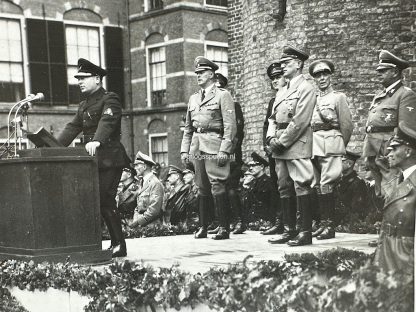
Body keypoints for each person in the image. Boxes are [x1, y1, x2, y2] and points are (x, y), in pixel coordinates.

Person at [57, 58, 129, 258]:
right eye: (78, 78)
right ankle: (114, 244)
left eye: (84, 78)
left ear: (97, 79)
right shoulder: (83, 105)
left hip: (110, 158)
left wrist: (97, 140)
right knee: (99, 201)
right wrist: (52, 146)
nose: (79, 81)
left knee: (105, 199)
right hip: (93, 160)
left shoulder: (110, 98)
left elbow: (108, 121)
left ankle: (119, 245)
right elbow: (72, 128)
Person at [181, 56, 237, 240]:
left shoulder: (223, 95)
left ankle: (223, 227)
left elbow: (230, 126)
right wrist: (185, 150)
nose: (198, 75)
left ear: (212, 74)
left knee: (217, 185)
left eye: (202, 72)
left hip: (215, 144)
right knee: (201, 187)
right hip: (197, 147)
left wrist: (225, 150)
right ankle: (203, 226)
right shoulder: (193, 98)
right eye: (197, 73)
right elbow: (188, 128)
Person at [265, 46, 317, 246]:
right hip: (279, 144)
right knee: (284, 187)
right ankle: (289, 229)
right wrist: (270, 139)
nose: (283, 66)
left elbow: (300, 121)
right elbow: (272, 118)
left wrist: (281, 142)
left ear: (299, 64)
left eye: (287, 63)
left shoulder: (306, 88)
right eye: (282, 63)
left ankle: (305, 232)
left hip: (296, 143)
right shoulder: (282, 89)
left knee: (301, 185)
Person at [308, 59, 353, 240]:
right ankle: (323, 223)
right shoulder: (313, 99)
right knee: (318, 185)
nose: (322, 78)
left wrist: (339, 144)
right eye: (318, 75)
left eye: (325, 74)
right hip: (315, 145)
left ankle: (330, 226)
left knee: (328, 184)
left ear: (330, 75)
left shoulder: (338, 98)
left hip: (331, 143)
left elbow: (347, 125)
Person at [363, 50, 416, 200]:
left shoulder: (405, 94)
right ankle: (381, 218)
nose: (378, 73)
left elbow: (406, 127)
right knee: (378, 187)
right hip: (373, 147)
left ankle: (393, 218)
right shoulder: (380, 96)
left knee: (392, 182)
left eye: (383, 70)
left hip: (387, 147)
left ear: (394, 72)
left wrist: (395, 148)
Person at [374, 121, 416, 275]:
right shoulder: (400, 179)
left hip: (405, 260)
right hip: (390, 254)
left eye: (394, 149)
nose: (388, 154)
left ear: (408, 152)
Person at [261, 60, 286, 235]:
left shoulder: (292, 96)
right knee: (276, 185)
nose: (276, 80)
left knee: (290, 184)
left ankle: (292, 221)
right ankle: (279, 220)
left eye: (279, 76)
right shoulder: (273, 101)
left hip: (286, 146)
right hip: (273, 149)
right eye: (273, 78)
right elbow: (267, 125)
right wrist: (266, 144)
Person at [334, 150, 372, 224]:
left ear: (349, 164)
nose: (337, 164)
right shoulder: (338, 181)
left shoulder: (358, 182)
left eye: (341, 161)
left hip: (349, 224)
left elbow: (357, 209)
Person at [130, 151, 164, 227]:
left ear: (144, 167)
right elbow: (138, 206)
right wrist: (135, 221)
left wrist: (138, 222)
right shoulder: (142, 182)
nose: (135, 168)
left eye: (137, 165)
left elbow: (154, 210)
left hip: (152, 227)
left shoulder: (155, 183)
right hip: (142, 226)